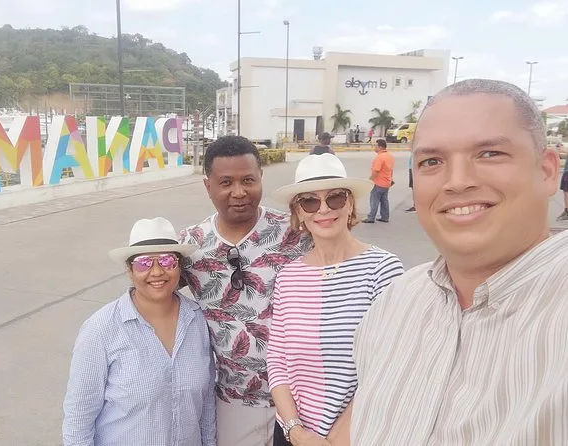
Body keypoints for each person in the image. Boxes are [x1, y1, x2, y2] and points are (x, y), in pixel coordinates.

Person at [340, 79, 568, 445]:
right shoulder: (395, 303)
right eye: (432, 162)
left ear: (547, 171)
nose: (457, 182)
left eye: (489, 153)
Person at [179, 135, 310, 446]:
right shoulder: (191, 245)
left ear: (260, 177)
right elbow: (156, 292)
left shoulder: (297, 234)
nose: (238, 192)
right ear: (208, 186)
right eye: (226, 182)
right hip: (234, 403)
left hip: (303, 399)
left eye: (248, 180)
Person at [267, 154, 404, 446]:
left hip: (356, 435)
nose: (324, 209)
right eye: (310, 201)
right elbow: (277, 360)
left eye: (335, 198)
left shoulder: (382, 270)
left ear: (350, 203)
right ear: (299, 212)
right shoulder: (288, 277)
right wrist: (295, 431)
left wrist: (333, 441)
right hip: (292, 434)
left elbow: (389, 366)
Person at [63, 217, 216, 446]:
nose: (157, 272)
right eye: (144, 263)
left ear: (179, 266)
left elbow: (206, 405)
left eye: (167, 261)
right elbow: (79, 418)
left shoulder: (197, 321)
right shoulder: (101, 329)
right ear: (129, 270)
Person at [362, 139, 395, 223]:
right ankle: (385, 216)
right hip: (386, 182)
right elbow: (391, 170)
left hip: (378, 182)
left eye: (375, 145)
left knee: (374, 200)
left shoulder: (379, 157)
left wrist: (370, 180)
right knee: (384, 200)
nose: (374, 147)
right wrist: (391, 179)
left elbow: (376, 171)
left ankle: (371, 217)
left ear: (380, 147)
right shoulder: (390, 156)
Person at [556, 140, 568, 220]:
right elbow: (564, 155)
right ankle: (566, 211)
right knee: (565, 192)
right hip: (566, 171)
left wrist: (563, 149)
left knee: (566, 192)